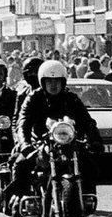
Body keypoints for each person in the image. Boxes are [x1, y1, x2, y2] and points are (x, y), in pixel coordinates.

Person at [16, 59, 103, 198]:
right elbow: (23, 122)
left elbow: (87, 121)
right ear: (42, 82)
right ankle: (21, 197)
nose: (53, 84)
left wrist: (95, 139)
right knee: (20, 163)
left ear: (63, 81)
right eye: (49, 81)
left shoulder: (71, 98)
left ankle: (88, 196)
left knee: (89, 162)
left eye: (57, 81)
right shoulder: (33, 98)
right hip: (40, 142)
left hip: (68, 141)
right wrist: (25, 144)